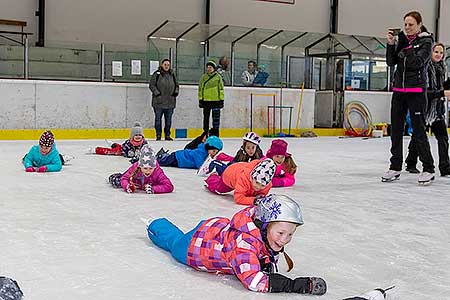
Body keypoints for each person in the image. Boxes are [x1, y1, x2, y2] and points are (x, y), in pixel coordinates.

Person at [145, 194, 327, 295]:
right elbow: (254, 281)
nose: (284, 240)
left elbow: (264, 252)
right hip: (194, 247)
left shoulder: (261, 231)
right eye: (280, 233)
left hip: (216, 232)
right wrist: (295, 285)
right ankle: (155, 224)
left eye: (290, 235)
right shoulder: (244, 245)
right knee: (172, 240)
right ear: (263, 227)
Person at [382, 11, 435, 184]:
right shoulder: (403, 40)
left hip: (416, 92)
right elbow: (391, 62)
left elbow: (418, 63)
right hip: (399, 91)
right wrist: (391, 45)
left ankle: (428, 168)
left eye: (411, 25)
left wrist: (408, 50)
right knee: (396, 130)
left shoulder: (426, 41)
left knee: (418, 130)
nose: (407, 28)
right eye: (405, 24)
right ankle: (395, 166)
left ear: (419, 25)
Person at [405, 42, 450, 177]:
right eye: (436, 52)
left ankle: (445, 167)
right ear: (430, 53)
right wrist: (442, 93)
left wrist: (446, 88)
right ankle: (411, 163)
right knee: (419, 137)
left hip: (437, 111)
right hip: (423, 108)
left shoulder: (442, 69)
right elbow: (424, 92)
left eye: (441, 53)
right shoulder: (423, 68)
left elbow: (442, 86)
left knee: (443, 138)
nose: (439, 55)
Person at [204, 158, 276, 205]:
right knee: (218, 188)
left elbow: (260, 195)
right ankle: (213, 175)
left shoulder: (267, 185)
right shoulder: (244, 179)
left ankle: (219, 166)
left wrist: (260, 197)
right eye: (257, 182)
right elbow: (238, 198)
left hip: (239, 168)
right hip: (229, 174)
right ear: (252, 177)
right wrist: (254, 200)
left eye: (262, 185)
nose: (258, 186)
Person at [108, 145, 174, 194]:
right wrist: (127, 186)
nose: (148, 171)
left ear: (154, 167)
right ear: (140, 166)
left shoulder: (158, 172)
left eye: (151, 168)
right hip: (133, 180)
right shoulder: (135, 167)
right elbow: (124, 178)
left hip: (143, 184)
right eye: (145, 168)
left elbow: (169, 186)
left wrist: (154, 189)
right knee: (116, 181)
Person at [149, 59, 179, 141]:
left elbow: (177, 85)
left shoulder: (172, 74)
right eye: (165, 64)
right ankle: (158, 135)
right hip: (158, 102)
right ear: (162, 65)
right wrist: (157, 93)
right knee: (158, 120)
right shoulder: (157, 74)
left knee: (168, 120)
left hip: (170, 102)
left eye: (168, 65)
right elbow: (152, 85)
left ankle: (167, 135)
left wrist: (175, 92)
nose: (166, 66)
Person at [156, 135, 223, 169]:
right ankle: (158, 157)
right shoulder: (199, 152)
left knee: (169, 163)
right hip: (177, 157)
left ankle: (165, 156)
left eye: (216, 152)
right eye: (214, 151)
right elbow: (200, 165)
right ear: (208, 147)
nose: (215, 154)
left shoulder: (205, 153)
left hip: (179, 162)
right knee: (160, 163)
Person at [198, 60, 224, 136]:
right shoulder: (204, 77)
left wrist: (221, 100)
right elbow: (200, 88)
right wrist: (200, 99)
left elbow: (221, 89)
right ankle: (205, 131)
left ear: (214, 68)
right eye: (208, 67)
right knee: (206, 117)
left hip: (216, 100)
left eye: (211, 67)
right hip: (206, 101)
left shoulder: (218, 77)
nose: (209, 69)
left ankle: (216, 132)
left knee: (216, 118)